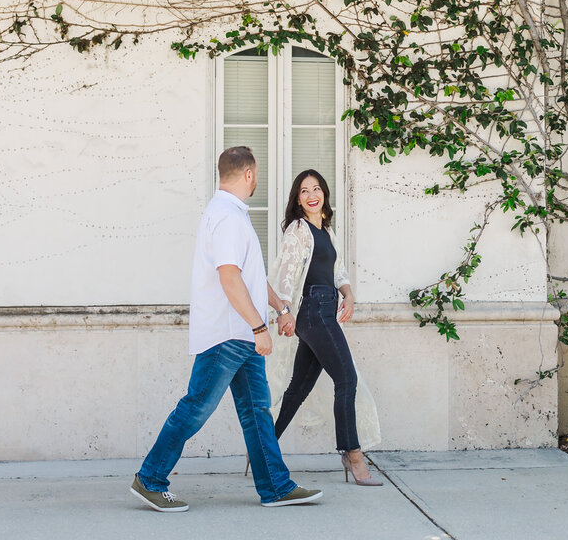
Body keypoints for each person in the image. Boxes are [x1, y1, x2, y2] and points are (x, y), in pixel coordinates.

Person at [131, 146, 323, 511]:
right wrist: (258, 328)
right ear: (249, 175)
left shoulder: (229, 214)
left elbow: (249, 278)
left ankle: (275, 487)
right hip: (228, 334)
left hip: (239, 335)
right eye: (257, 175)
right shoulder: (228, 217)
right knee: (195, 408)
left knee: (256, 411)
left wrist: (280, 307)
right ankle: (150, 479)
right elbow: (230, 278)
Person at [267, 168, 383, 487]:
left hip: (327, 310)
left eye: (316, 188)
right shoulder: (298, 229)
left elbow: (339, 271)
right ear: (298, 199)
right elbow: (287, 275)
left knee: (298, 388)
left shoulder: (326, 232)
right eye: (304, 191)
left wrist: (349, 295)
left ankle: (264, 447)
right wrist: (284, 311)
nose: (311, 195)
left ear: (324, 195)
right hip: (313, 311)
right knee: (346, 379)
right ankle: (353, 454)